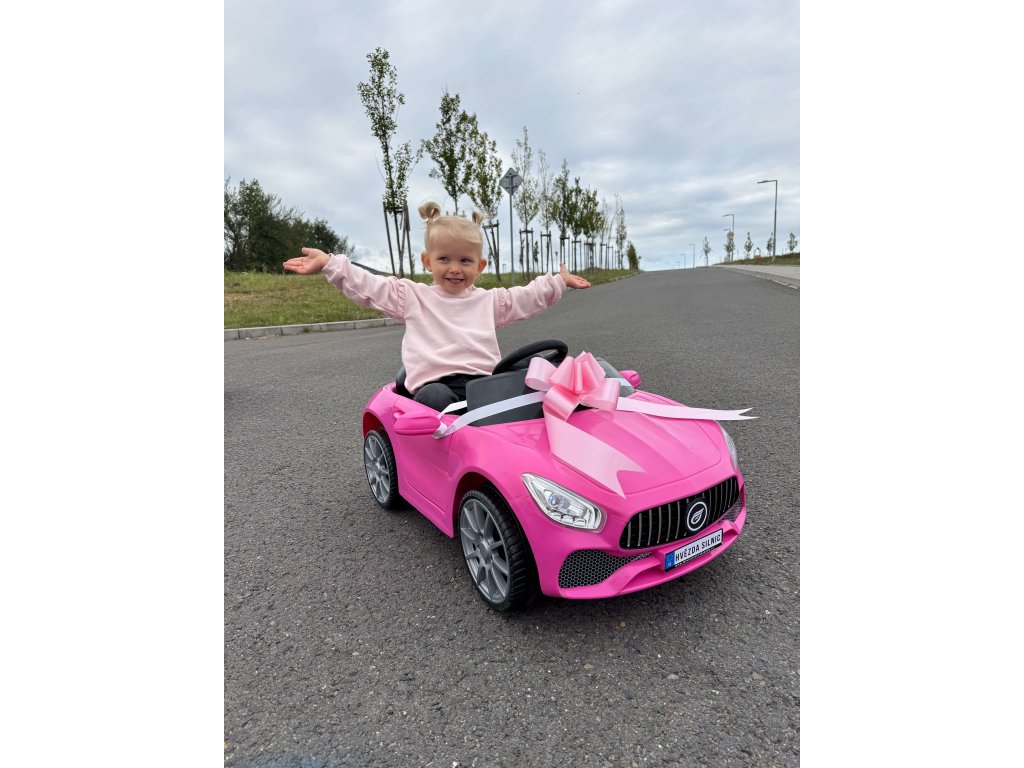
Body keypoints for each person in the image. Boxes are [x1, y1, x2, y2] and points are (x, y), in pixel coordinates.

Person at [283, 201, 592, 411]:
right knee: (434, 397)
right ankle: (440, 456)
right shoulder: (413, 296)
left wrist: (558, 281)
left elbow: (525, 297)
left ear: (480, 266)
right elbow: (370, 287)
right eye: (444, 259)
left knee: (532, 379)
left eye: (465, 261)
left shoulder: (488, 301)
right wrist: (331, 264)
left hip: (484, 386)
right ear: (428, 261)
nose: (454, 268)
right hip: (438, 386)